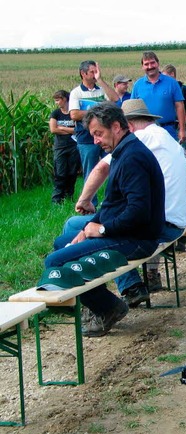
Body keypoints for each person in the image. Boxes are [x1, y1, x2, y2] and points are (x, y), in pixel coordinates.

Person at [44, 102, 166, 338]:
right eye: (93, 136)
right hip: (127, 234)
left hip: (138, 239)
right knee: (63, 242)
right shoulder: (123, 151)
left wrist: (101, 229)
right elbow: (111, 203)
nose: (96, 141)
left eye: (99, 134)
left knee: (55, 263)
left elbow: (139, 213)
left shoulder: (132, 158)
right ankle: (106, 304)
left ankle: (107, 308)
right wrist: (89, 227)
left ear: (117, 127)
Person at [65, 99, 186, 298]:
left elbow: (101, 168)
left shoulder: (138, 140)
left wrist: (84, 201)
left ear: (123, 125)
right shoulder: (165, 136)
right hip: (178, 216)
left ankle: (126, 288)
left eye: (100, 133)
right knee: (87, 231)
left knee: (73, 227)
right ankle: (129, 285)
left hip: (158, 224)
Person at [69, 60, 118, 206]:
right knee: (91, 172)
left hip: (106, 137)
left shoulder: (101, 90)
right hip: (86, 139)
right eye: (92, 71)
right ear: (83, 74)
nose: (95, 74)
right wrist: (98, 112)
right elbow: (74, 115)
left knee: (114, 167)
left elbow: (115, 99)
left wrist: (100, 80)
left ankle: (113, 200)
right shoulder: (76, 93)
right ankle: (90, 204)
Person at [131, 51, 186, 144]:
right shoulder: (138, 85)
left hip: (168, 129)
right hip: (145, 131)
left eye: (152, 63)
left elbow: (179, 106)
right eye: (146, 64)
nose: (150, 66)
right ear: (142, 66)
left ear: (158, 63)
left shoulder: (172, 83)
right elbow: (132, 109)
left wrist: (182, 129)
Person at [49, 90, 81, 204]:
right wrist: (70, 131)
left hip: (74, 146)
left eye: (58, 100)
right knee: (60, 173)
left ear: (65, 99)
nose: (57, 103)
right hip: (60, 147)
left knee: (72, 172)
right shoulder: (55, 113)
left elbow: (77, 130)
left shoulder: (73, 113)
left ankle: (69, 196)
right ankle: (57, 198)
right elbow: (53, 129)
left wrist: (62, 128)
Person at [162, 64, 186, 149]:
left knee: (181, 149)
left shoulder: (185, 90)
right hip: (168, 125)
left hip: (180, 125)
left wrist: (182, 123)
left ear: (172, 74)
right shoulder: (164, 90)